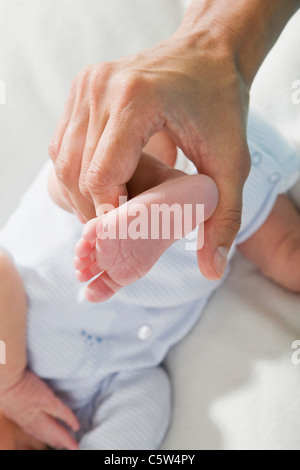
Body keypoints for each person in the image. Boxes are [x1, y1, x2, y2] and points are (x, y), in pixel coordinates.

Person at [0, 111, 299, 450]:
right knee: (289, 259)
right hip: (227, 213)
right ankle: (174, 199)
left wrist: (8, 384)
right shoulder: (86, 408)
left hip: (154, 141)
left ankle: (164, 187)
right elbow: (149, 394)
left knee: (79, 181)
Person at [48, 0, 300, 283]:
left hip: (184, 132)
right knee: (288, 253)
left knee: (74, 185)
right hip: (228, 173)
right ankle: (172, 193)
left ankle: (169, 188)